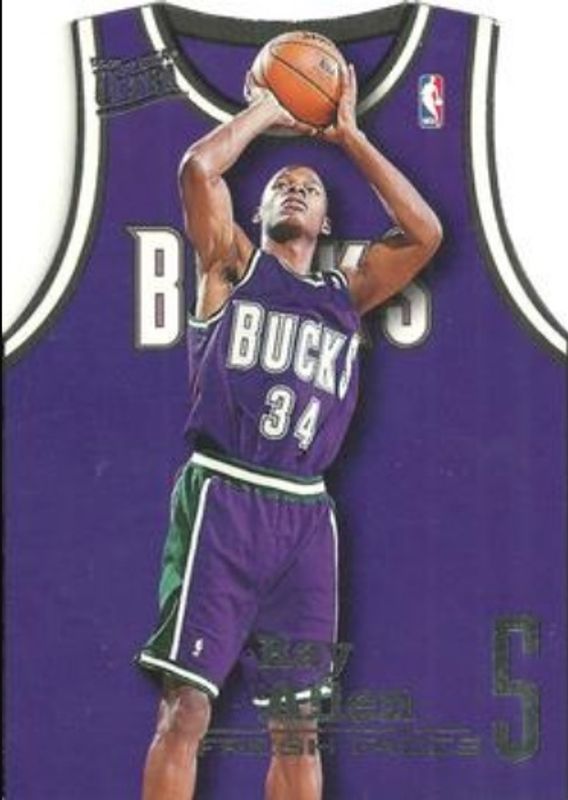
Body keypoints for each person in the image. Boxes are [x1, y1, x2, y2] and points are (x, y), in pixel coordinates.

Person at [137, 64, 442, 800]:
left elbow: (426, 233)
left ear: (327, 223)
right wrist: (271, 108)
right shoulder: (230, 265)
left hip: (306, 516)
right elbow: (199, 168)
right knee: (187, 707)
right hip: (225, 497)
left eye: (310, 187)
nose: (296, 188)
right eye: (282, 184)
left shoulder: (347, 295)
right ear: (259, 208)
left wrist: (350, 136)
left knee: (299, 727)